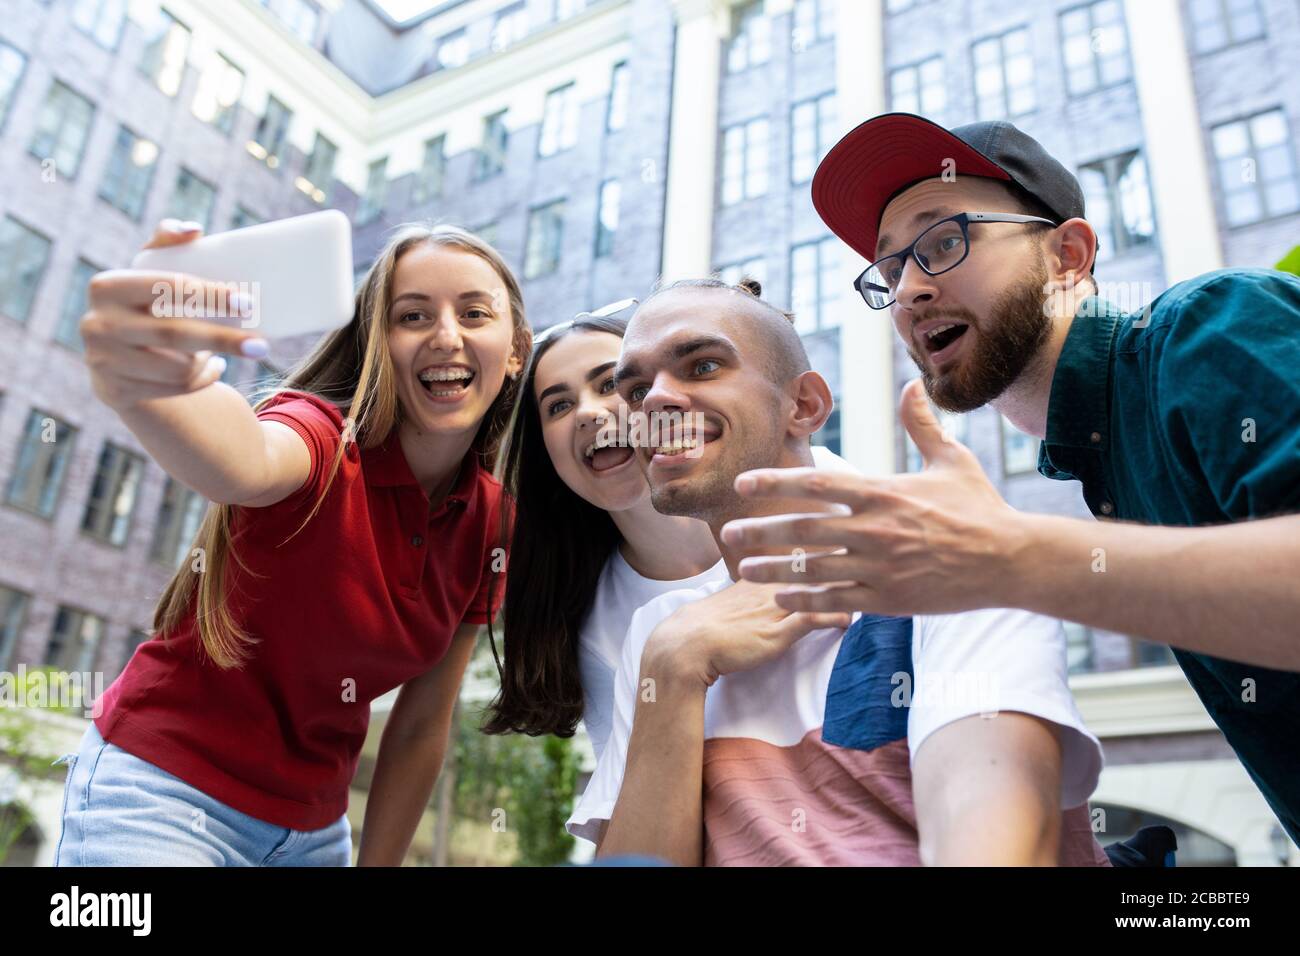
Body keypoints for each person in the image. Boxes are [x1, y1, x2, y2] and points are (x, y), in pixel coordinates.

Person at [723, 112, 1300, 846]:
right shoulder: (1104, 461)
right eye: (892, 269)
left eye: (942, 242)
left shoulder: (1210, 327)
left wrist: (1004, 558)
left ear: (1068, 255)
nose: (907, 293)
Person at [566, 278, 1110, 866]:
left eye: (701, 366)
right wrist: (673, 668)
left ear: (804, 406)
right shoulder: (662, 636)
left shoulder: (954, 568)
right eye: (637, 388)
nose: (653, 403)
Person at [54, 219, 529, 866]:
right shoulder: (320, 440)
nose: (446, 336)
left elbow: (422, 724)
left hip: (312, 832)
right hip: (163, 791)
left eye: (474, 313)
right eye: (412, 316)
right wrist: (151, 382)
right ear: (377, 345)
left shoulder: (492, 522)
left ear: (516, 351)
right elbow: (244, 456)